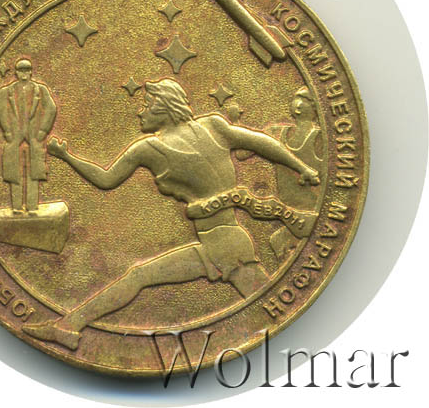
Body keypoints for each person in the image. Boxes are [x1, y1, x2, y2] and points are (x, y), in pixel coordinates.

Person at [23, 78, 319, 349]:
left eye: (147, 104)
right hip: (223, 241)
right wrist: (301, 167)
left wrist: (66, 156)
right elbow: (261, 142)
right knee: (269, 303)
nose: (141, 112)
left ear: (165, 107)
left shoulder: (149, 149)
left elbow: (106, 179)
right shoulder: (213, 126)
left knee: (270, 304)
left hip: (224, 245)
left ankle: (67, 327)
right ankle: (68, 327)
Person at [267, 86, 322, 261]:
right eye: (297, 99)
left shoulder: (320, 138)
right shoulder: (276, 133)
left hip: (308, 213)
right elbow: (241, 154)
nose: (297, 104)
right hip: (284, 212)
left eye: (304, 100)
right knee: (278, 244)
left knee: (279, 243)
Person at [0, 59, 56, 214]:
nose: (23, 74)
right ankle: (16, 207)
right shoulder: (5, 91)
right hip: (14, 136)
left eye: (26, 70)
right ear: (16, 73)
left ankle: (32, 207)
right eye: (20, 71)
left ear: (30, 72)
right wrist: (7, 131)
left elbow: (51, 109)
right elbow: (1, 111)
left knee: (33, 172)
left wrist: (43, 130)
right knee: (14, 172)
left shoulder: (40, 90)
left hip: (34, 136)